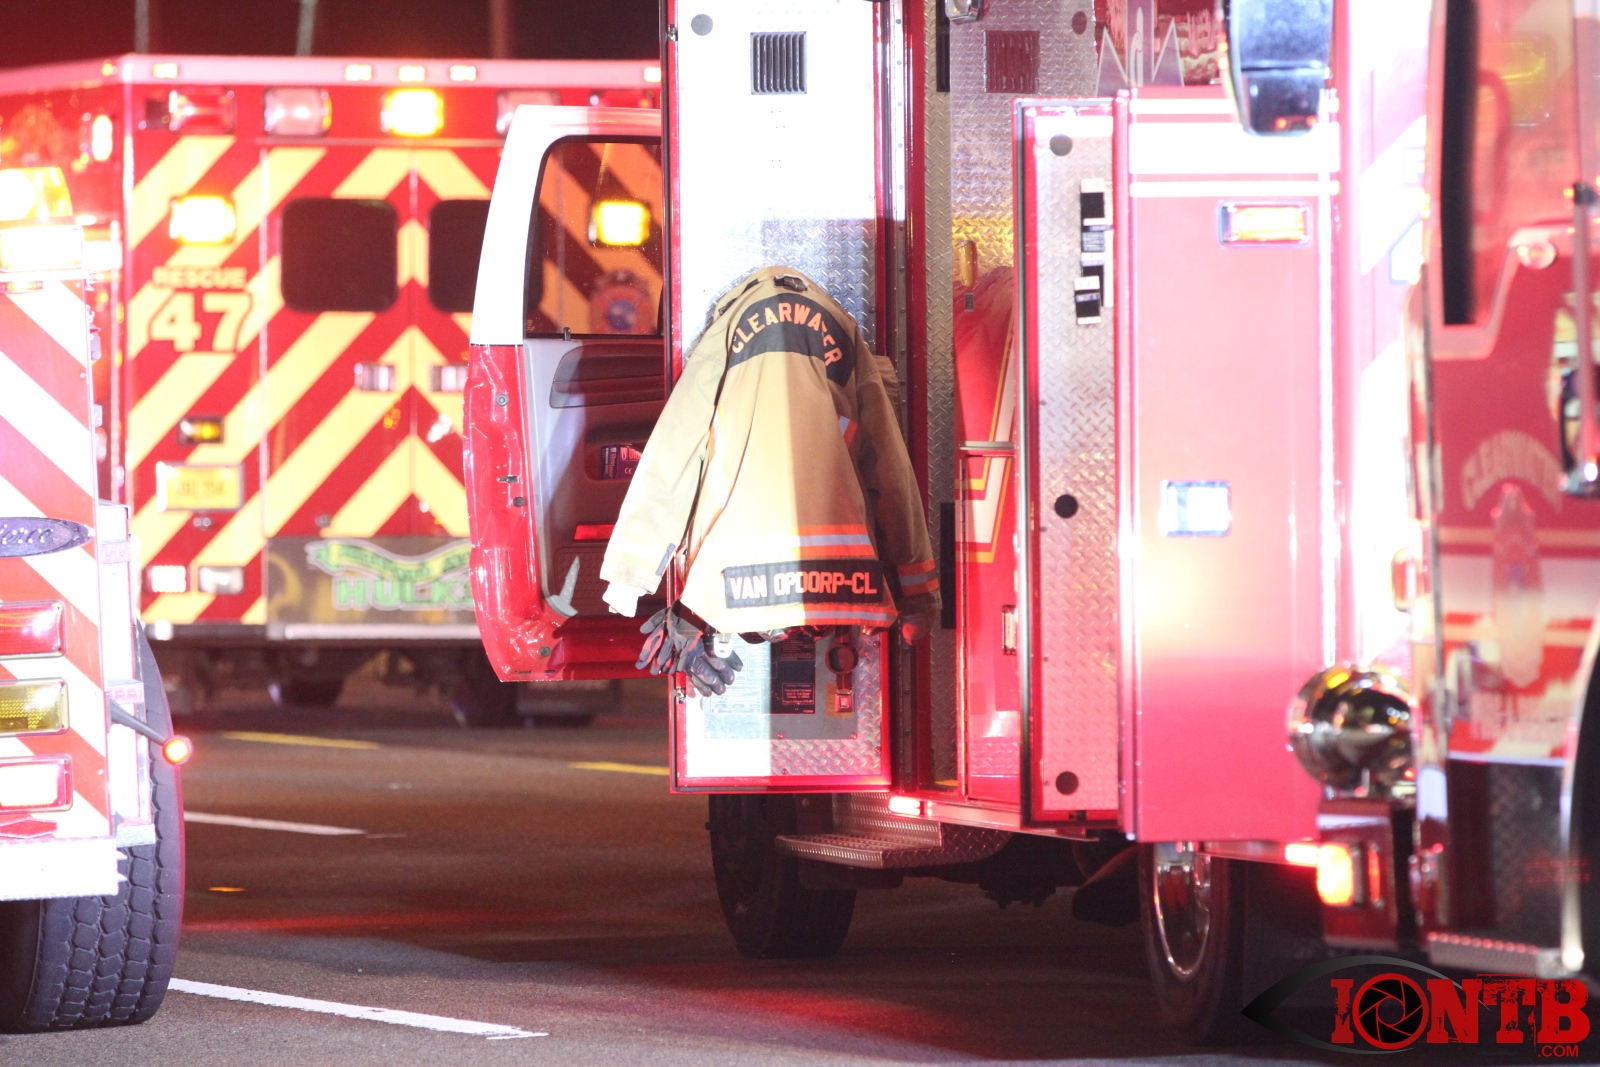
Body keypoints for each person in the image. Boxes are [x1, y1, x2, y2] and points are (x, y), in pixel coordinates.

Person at [599, 266, 939, 694]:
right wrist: (917, 593)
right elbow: (889, 467)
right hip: (843, 576)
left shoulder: (724, 336)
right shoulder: (846, 334)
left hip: (735, 576)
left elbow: (674, 452)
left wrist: (633, 572)